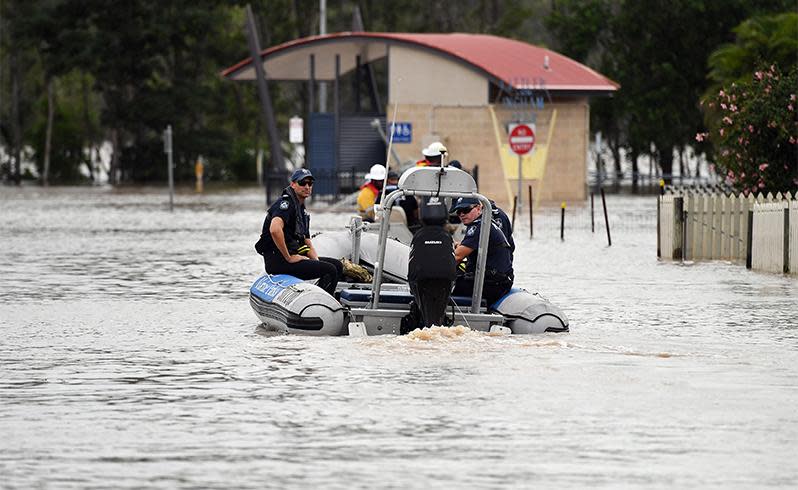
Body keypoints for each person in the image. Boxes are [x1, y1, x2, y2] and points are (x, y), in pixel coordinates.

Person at [254, 168, 342, 296]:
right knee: (330, 270)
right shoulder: (286, 204)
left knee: (336, 265)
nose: (307, 187)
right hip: (279, 262)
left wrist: (316, 263)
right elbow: (274, 229)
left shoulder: (302, 211)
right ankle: (321, 303)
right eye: (302, 183)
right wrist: (289, 258)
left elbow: (307, 243)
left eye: (310, 184)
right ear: (293, 185)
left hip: (293, 258)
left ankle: (323, 300)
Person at [450, 197, 514, 306]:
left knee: (441, 289)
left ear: (479, 208)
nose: (461, 215)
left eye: (466, 210)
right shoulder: (486, 223)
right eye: (459, 212)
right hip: (500, 281)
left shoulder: (477, 226)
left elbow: (456, 257)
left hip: (491, 285)